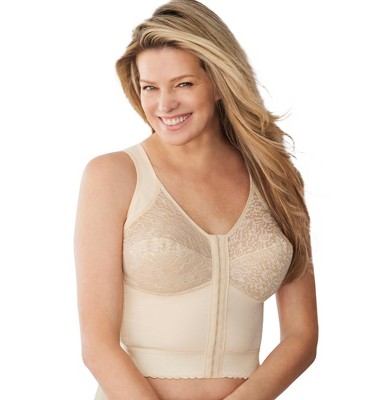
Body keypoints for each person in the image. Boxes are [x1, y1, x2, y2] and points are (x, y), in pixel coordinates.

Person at [74, 1, 318, 399]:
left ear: (220, 83)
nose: (164, 105)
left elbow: (301, 335)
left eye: (183, 84)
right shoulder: (113, 176)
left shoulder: (276, 178)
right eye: (150, 87)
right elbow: (98, 346)